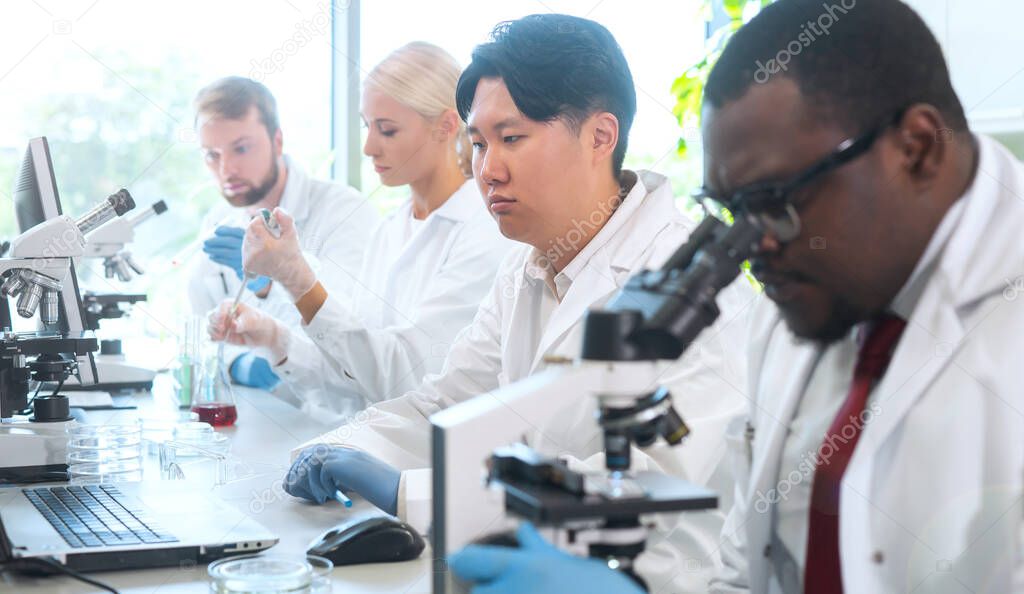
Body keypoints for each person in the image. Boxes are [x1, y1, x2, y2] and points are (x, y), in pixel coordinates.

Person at [453, 1, 1024, 592]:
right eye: (732, 212)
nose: (755, 249)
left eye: (774, 199)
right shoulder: (800, 308)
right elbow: (745, 577)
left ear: (918, 148)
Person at [282, 15, 755, 593]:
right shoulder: (528, 266)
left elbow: (647, 490)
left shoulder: (696, 289)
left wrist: (407, 492)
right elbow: (448, 403)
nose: (487, 170)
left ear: (600, 137)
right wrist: (342, 447)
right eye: (478, 143)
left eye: (511, 139)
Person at [207, 42, 514, 416]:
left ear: (447, 126)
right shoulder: (390, 231)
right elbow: (353, 382)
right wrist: (274, 338)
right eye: (367, 126)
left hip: (432, 461)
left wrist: (297, 277)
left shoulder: (483, 231)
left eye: (387, 130)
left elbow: (407, 377)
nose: (369, 147)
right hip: (379, 446)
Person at [188, 76, 378, 398]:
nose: (227, 169)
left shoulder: (343, 212)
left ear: (277, 141)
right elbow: (196, 333)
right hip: (255, 416)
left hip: (329, 422)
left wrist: (270, 285)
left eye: (242, 148)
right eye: (212, 155)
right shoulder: (219, 221)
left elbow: (349, 336)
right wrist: (239, 364)